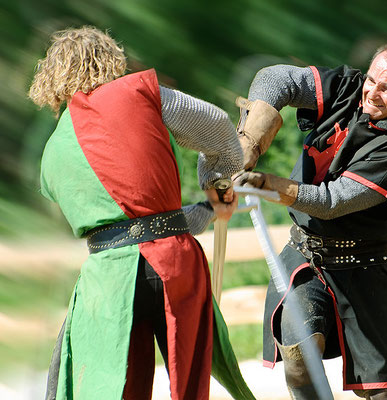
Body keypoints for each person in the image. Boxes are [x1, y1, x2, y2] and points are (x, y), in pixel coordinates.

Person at [28, 26, 246, 400]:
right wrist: (217, 183)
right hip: (173, 266)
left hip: (107, 281)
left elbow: (125, 232)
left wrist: (206, 209)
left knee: (109, 388)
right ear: (112, 60)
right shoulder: (144, 94)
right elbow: (217, 127)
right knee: (189, 387)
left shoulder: (51, 154)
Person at [234, 40, 387, 399]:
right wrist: (250, 140)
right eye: (373, 80)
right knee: (298, 361)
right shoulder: (348, 88)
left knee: (381, 391)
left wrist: (271, 184)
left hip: (364, 268)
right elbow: (276, 78)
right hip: (305, 254)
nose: (372, 93)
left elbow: (331, 202)